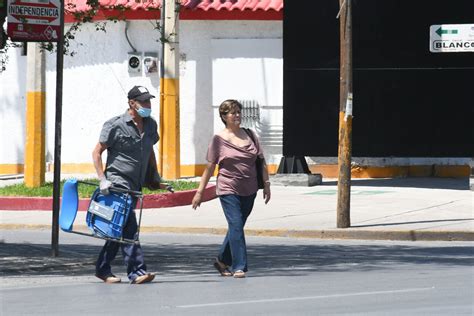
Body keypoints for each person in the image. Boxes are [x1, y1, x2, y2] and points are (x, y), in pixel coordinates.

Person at [92, 85, 166, 284]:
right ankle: (137, 271)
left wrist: (155, 177)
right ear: (132, 103)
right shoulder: (115, 125)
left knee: (119, 227)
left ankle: (103, 268)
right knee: (129, 226)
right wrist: (102, 179)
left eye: (149, 101)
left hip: (136, 183)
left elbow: (150, 151)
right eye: (143, 101)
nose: (147, 105)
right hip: (117, 182)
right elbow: (97, 152)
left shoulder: (151, 125)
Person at [191, 99, 271, 278]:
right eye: (233, 113)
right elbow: (210, 167)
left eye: (238, 112)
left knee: (237, 226)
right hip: (228, 188)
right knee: (235, 224)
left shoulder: (250, 134)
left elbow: (261, 161)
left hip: (250, 188)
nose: (237, 115)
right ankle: (239, 266)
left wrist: (267, 185)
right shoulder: (219, 140)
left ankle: (221, 260)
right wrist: (199, 192)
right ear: (224, 116)